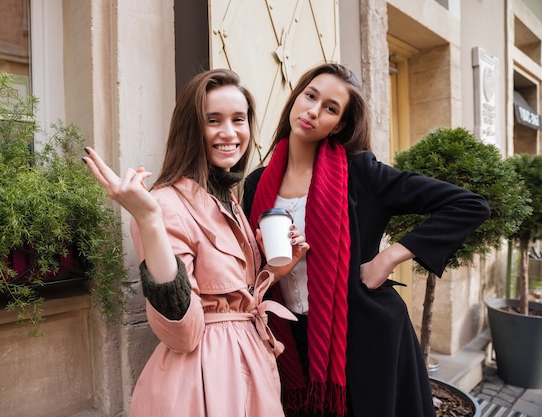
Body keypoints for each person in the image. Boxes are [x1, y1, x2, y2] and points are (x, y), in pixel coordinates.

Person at [242, 62, 490, 417]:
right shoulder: (257, 183)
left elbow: (467, 205)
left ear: (339, 124)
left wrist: (387, 258)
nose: (313, 110)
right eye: (310, 96)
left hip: (363, 338)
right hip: (289, 340)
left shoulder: (361, 174)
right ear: (297, 97)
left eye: (330, 108)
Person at [83, 69, 310, 417]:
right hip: (208, 383)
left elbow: (230, 295)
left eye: (239, 119)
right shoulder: (166, 205)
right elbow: (183, 335)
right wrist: (148, 220)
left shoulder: (228, 200)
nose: (229, 132)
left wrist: (276, 269)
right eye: (213, 120)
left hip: (249, 366)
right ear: (192, 129)